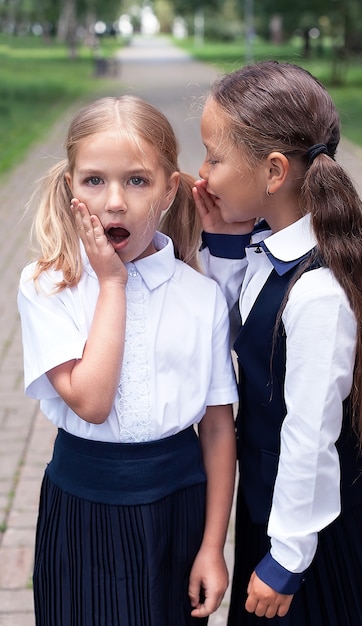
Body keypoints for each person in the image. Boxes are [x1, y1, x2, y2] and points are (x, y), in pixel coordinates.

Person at [193, 60, 362, 626]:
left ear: (273, 171)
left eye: (215, 157)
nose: (204, 174)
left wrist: (286, 558)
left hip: (317, 530)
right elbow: (242, 328)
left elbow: (310, 432)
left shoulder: (317, 292)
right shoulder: (272, 250)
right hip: (279, 505)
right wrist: (223, 243)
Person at [18, 95, 238, 626]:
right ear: (71, 185)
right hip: (83, 504)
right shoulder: (48, 285)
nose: (114, 201)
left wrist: (213, 547)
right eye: (94, 180)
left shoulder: (200, 295)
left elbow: (217, 429)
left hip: (177, 506)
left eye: (137, 181)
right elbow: (91, 403)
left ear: (169, 188)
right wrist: (112, 283)